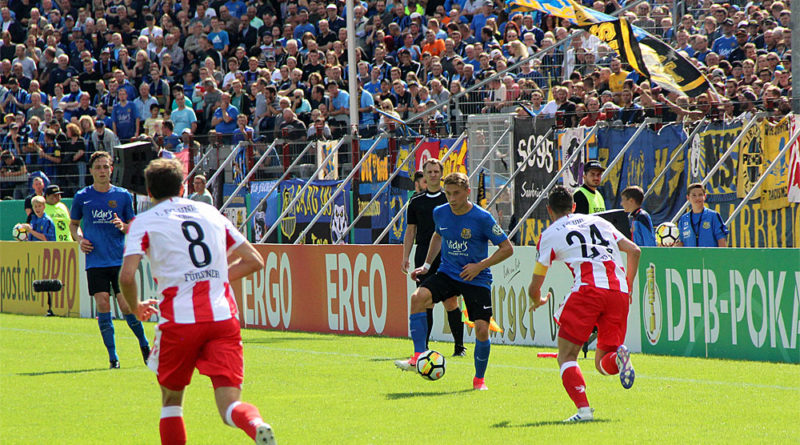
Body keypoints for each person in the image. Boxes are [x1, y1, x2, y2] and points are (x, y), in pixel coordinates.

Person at [118, 158, 276, 445]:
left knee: (171, 402)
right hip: (222, 319)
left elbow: (127, 277)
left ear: (149, 192)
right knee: (229, 405)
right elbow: (255, 261)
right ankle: (256, 424)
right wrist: (214, 276)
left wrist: (136, 305)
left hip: (180, 321)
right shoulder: (211, 213)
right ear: (183, 187)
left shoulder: (143, 222)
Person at [528, 185, 640, 422]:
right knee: (602, 362)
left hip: (588, 290)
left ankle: (584, 411)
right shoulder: (599, 222)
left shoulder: (549, 234)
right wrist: (627, 285)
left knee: (567, 357)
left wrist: (538, 299)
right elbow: (634, 250)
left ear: (549, 210)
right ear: (575, 206)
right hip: (618, 293)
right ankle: (619, 357)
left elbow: (536, 283)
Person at [395, 172, 513, 390]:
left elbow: (507, 249)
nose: (451, 198)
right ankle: (418, 357)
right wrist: (427, 266)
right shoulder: (440, 213)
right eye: (448, 193)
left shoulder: (482, 218)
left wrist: (480, 265)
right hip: (448, 273)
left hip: (476, 278)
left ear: (468, 192)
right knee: (418, 297)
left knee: (481, 329)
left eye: (456, 193)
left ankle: (479, 380)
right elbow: (438, 235)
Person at [69, 151, 151, 369]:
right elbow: (74, 224)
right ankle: (113, 358)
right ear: (91, 171)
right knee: (103, 302)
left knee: (125, 305)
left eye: (106, 167)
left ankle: (144, 345)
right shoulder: (82, 196)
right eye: (98, 167)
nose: (103, 171)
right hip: (95, 260)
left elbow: (133, 226)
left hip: (118, 260)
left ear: (112, 169)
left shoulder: (123, 196)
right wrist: (79, 239)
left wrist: (123, 227)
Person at [401, 159, 466, 357]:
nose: (433, 175)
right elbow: (410, 230)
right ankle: (424, 349)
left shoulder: (449, 200)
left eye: (436, 171)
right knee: (424, 302)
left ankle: (459, 347)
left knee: (451, 302)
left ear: (441, 174)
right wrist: (405, 256)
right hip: (423, 254)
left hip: (447, 254)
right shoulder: (416, 201)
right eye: (429, 171)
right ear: (424, 176)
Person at [676, 183, 728, 247]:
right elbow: (681, 242)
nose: (697, 198)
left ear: (705, 196)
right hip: (690, 257)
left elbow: (721, 241)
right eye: (694, 195)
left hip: (709, 256)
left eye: (700, 195)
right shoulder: (683, 219)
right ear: (688, 197)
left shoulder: (713, 216)